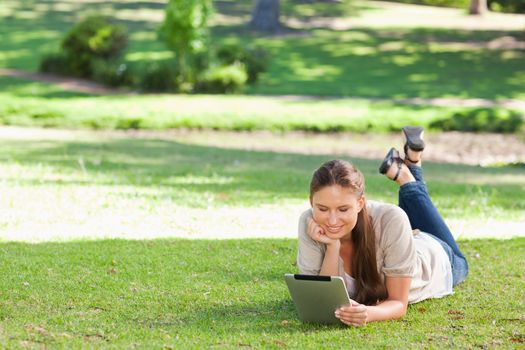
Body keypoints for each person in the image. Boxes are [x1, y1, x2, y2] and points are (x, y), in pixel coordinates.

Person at [296, 126, 468, 327]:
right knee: (396, 222)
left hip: (438, 256)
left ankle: (405, 176)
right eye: (323, 208)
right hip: (400, 240)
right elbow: (321, 301)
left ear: (360, 203)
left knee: (462, 264)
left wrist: (367, 313)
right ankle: (411, 162)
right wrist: (332, 246)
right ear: (311, 202)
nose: (332, 221)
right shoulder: (310, 222)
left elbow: (398, 303)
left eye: (343, 209)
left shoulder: (391, 218)